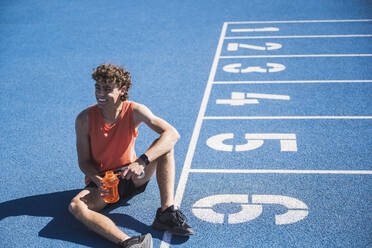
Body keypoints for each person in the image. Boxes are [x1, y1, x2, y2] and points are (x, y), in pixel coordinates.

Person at [68, 64, 194, 248]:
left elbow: (172, 133)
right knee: (75, 206)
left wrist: (141, 162)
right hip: (104, 183)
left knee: (165, 145)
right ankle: (131, 242)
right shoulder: (84, 119)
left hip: (132, 175)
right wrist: (98, 180)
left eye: (107, 89)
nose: (100, 94)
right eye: (98, 88)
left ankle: (166, 213)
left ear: (122, 90)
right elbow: (84, 162)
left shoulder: (134, 111)